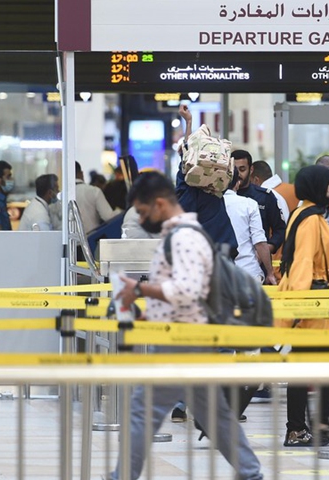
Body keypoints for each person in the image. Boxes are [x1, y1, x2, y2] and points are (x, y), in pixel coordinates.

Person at [108, 172, 263, 480]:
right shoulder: (180, 235)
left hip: (181, 343)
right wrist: (147, 313)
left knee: (142, 412)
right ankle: (251, 473)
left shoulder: (185, 238)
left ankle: (121, 476)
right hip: (186, 338)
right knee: (215, 416)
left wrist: (139, 291)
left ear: (160, 203)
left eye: (142, 212)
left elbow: (186, 290)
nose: (140, 219)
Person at [276, 165, 329, 447]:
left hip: (318, 302)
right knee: (318, 368)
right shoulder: (311, 219)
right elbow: (302, 261)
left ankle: (311, 427)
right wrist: (300, 306)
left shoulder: (304, 212)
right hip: (314, 305)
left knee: (314, 368)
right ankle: (302, 428)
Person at [176, 105, 239, 253]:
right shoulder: (218, 189)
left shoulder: (188, 193)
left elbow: (187, 165)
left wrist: (189, 123)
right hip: (224, 253)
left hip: (201, 259)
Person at [224, 169, 276, 285]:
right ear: (237, 183)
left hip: (222, 276)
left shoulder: (211, 205)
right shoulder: (249, 204)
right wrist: (270, 273)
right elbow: (260, 242)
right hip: (249, 274)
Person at [232, 150, 286, 256]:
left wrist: (267, 249)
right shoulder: (222, 197)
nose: (238, 174)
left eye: (242, 169)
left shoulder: (264, 197)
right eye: (234, 169)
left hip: (258, 264)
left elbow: (280, 229)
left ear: (251, 169)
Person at [74, 161, 118, 234]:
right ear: (81, 173)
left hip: (68, 242)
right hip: (90, 240)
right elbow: (108, 217)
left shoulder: (62, 195)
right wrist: (120, 212)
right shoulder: (94, 191)